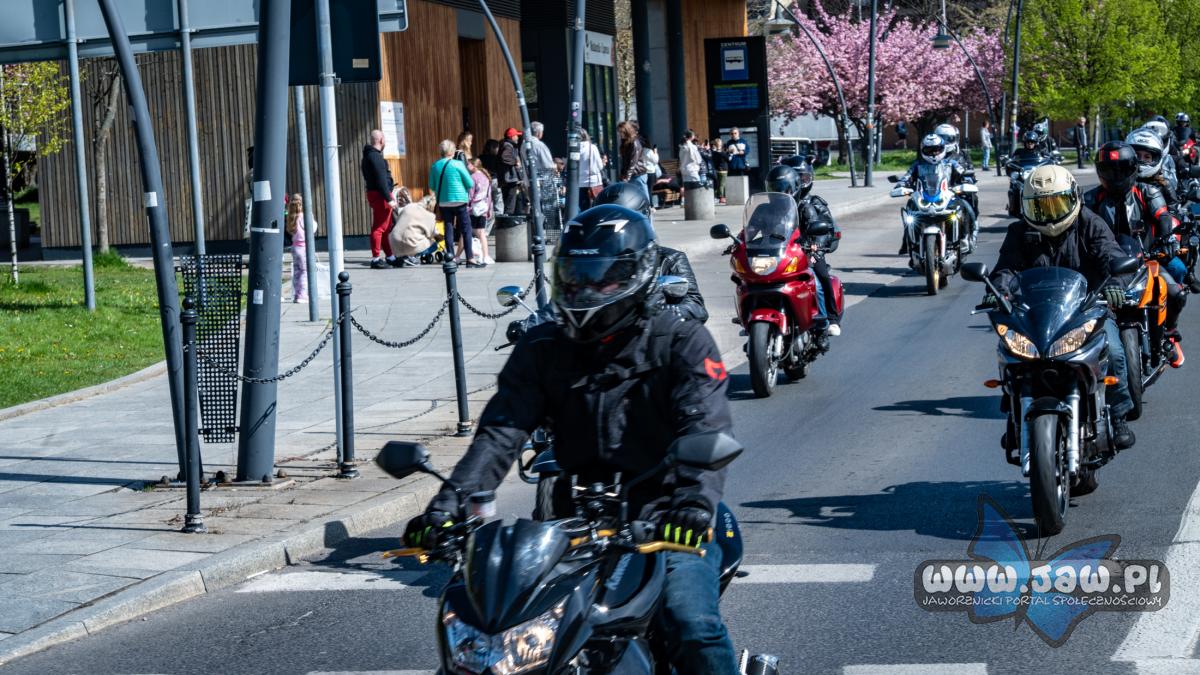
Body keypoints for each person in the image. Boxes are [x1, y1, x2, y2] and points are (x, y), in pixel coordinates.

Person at [403, 204, 739, 673]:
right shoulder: (543, 346)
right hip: (570, 521)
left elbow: (705, 427)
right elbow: (500, 433)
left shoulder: (681, 341)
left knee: (690, 622)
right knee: (493, 622)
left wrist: (692, 506)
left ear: (638, 275)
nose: (585, 290)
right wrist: (447, 508)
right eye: (575, 277)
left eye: (602, 278)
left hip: (664, 516)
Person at [988, 164, 1136, 450]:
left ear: (1074, 197)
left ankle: (1118, 416)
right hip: (1035, 313)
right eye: (1040, 206)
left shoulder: (1090, 223)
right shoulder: (1019, 231)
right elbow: (1006, 268)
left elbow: (1112, 256)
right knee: (1010, 354)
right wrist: (997, 291)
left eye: (1057, 203)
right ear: (1026, 205)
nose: (1050, 213)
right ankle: (1014, 412)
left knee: (1115, 352)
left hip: (1086, 309)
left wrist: (1115, 284)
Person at [1084, 141, 1189, 363]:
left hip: (1146, 260)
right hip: (1106, 266)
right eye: (1109, 170)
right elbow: (1079, 227)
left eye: (1121, 169)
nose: (1115, 176)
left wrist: (1168, 239)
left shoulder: (1147, 191)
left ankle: (1169, 333)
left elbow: (1163, 216)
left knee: (1176, 294)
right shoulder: (1091, 198)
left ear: (1132, 169)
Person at [592, 182, 708, 323]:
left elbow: (696, 307)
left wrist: (661, 311)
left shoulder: (668, 259)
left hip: (649, 332)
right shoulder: (589, 261)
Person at [767, 160, 842, 337]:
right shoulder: (770, 208)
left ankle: (828, 319)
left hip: (808, 251)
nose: (781, 191)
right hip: (782, 252)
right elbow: (754, 227)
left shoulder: (810, 205)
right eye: (776, 187)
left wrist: (817, 246)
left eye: (804, 177)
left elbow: (825, 228)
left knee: (820, 277)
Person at [897, 134, 976, 253]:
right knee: (910, 210)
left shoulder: (951, 163)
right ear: (923, 150)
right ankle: (909, 241)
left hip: (947, 196)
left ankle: (964, 237)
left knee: (963, 206)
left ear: (943, 149)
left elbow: (963, 173)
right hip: (923, 197)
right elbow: (907, 176)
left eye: (937, 149)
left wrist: (967, 180)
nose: (933, 153)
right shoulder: (917, 165)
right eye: (929, 150)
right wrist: (902, 184)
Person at [430, 139, 484, 268]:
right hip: (459, 200)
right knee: (466, 228)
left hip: (444, 201)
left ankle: (451, 257)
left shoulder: (435, 166)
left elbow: (432, 185)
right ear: (452, 151)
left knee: (448, 227)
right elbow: (470, 183)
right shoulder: (458, 164)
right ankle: (470, 258)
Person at [361, 129, 398, 269]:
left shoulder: (367, 156)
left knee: (385, 228)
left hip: (376, 193)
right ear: (381, 140)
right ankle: (376, 259)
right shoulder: (375, 157)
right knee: (379, 228)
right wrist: (389, 198)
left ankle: (390, 256)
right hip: (381, 195)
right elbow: (381, 180)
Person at [389, 189, 444, 266]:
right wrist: (442, 237)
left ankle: (402, 256)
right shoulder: (430, 216)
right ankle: (412, 257)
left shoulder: (408, 207)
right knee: (434, 244)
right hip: (409, 244)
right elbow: (434, 234)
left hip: (393, 243)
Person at [285, 194, 314, 302]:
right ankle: (302, 295)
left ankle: (296, 294)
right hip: (303, 247)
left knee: (297, 272)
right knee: (304, 271)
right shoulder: (303, 217)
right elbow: (313, 228)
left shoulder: (291, 217)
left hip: (294, 247)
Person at [467, 159, 495, 265]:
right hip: (483, 208)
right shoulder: (485, 177)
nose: (467, 166)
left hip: (473, 209)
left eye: (468, 164)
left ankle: (461, 255)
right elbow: (489, 196)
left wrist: (467, 208)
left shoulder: (472, 177)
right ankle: (486, 255)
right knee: (482, 233)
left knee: (466, 233)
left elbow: (470, 195)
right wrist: (489, 209)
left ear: (474, 166)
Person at [618, 120, 649, 200]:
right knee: (633, 198)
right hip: (631, 174)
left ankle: (647, 208)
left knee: (643, 197)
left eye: (621, 132)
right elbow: (624, 160)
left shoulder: (634, 142)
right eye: (619, 132)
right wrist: (623, 173)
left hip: (638, 174)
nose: (620, 134)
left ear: (626, 131)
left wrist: (627, 177)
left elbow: (633, 162)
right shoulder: (625, 143)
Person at [499, 128, 525, 215]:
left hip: (508, 179)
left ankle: (509, 219)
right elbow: (504, 157)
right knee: (510, 204)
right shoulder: (508, 146)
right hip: (510, 179)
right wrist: (515, 161)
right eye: (516, 136)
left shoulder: (508, 145)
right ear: (512, 136)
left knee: (510, 202)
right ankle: (508, 221)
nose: (517, 137)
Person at [578, 129, 605, 210]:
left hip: (580, 183)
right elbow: (600, 166)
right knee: (598, 206)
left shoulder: (574, 150)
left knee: (584, 208)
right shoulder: (592, 147)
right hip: (594, 182)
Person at [711, 137, 729, 204]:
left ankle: (716, 196)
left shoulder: (713, 153)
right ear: (721, 144)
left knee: (718, 184)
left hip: (717, 169)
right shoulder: (722, 153)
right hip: (723, 169)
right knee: (722, 184)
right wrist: (730, 154)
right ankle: (721, 197)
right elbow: (728, 159)